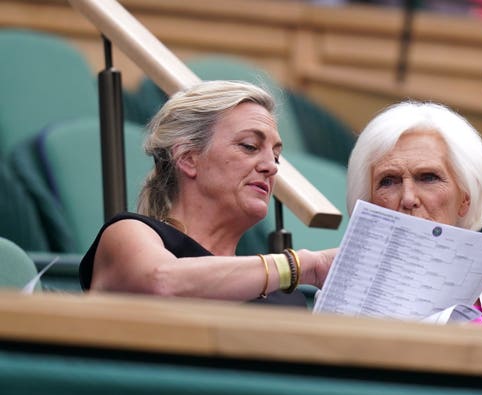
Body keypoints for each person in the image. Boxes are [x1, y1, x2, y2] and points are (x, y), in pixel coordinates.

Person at [79, 80, 336, 305]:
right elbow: (162, 282)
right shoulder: (130, 233)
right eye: (249, 146)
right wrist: (299, 265)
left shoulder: (284, 296)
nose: (270, 166)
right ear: (188, 158)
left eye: (276, 157)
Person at [346, 101, 482, 331]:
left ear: (465, 199)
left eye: (428, 177)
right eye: (388, 181)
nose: (408, 198)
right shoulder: (346, 290)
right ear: (369, 204)